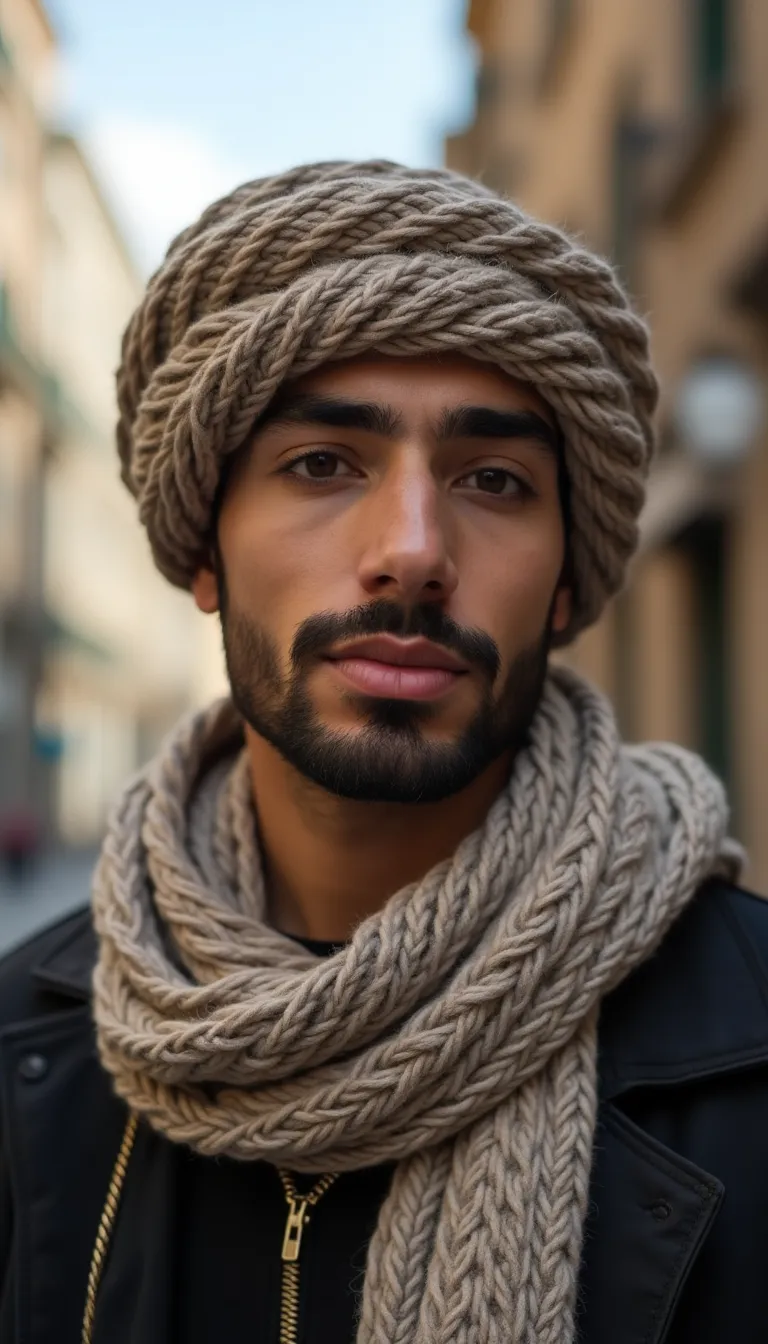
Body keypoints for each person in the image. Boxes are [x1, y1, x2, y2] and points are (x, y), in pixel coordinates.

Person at [0, 160, 766, 1344]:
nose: (412, 550)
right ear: (204, 550)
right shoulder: (24, 1044)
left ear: (566, 583)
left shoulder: (750, 1044)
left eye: (495, 481)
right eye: (321, 464)